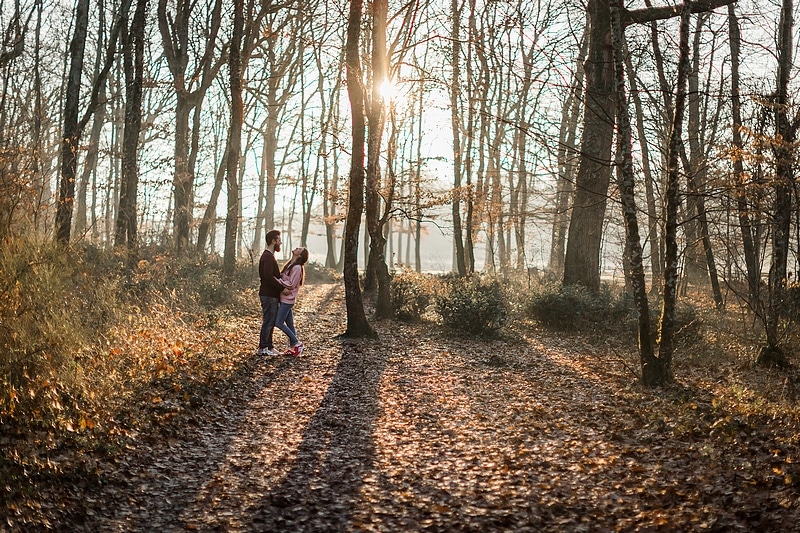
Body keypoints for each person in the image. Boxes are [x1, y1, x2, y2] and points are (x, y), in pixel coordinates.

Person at [275, 247, 309, 356]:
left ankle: (297, 343)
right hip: (284, 298)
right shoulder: (291, 265)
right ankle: (293, 348)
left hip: (287, 300)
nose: (296, 248)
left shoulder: (298, 267)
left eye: (300, 249)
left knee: (278, 322)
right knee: (290, 324)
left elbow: (291, 284)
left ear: (300, 255)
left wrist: (278, 281)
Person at [257, 230, 285, 356]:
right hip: (268, 295)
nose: (280, 242)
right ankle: (263, 348)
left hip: (271, 294)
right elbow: (268, 276)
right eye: (279, 240)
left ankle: (269, 346)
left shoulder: (269, 256)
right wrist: (281, 287)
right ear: (273, 241)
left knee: (271, 320)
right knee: (268, 320)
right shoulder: (267, 257)